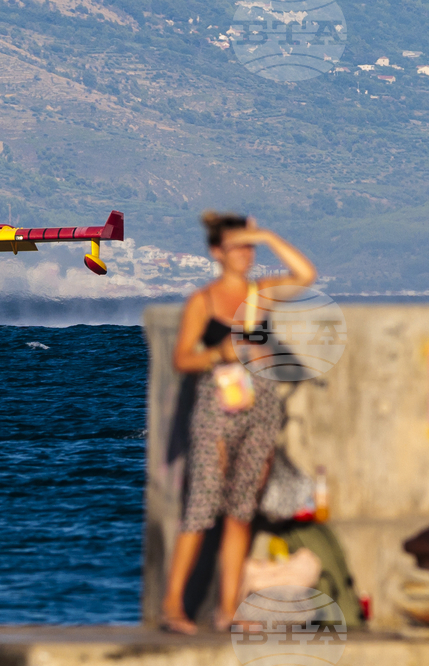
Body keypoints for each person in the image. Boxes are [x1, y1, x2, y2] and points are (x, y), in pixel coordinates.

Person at [160, 212, 316, 634]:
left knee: (241, 511)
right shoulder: (204, 301)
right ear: (217, 252)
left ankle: (227, 610)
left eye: (250, 246)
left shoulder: (260, 294)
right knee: (201, 506)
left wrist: (267, 234)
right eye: (237, 246)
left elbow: (305, 275)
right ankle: (172, 606)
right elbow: (181, 358)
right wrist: (219, 353)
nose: (245, 254)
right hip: (217, 406)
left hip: (260, 406)